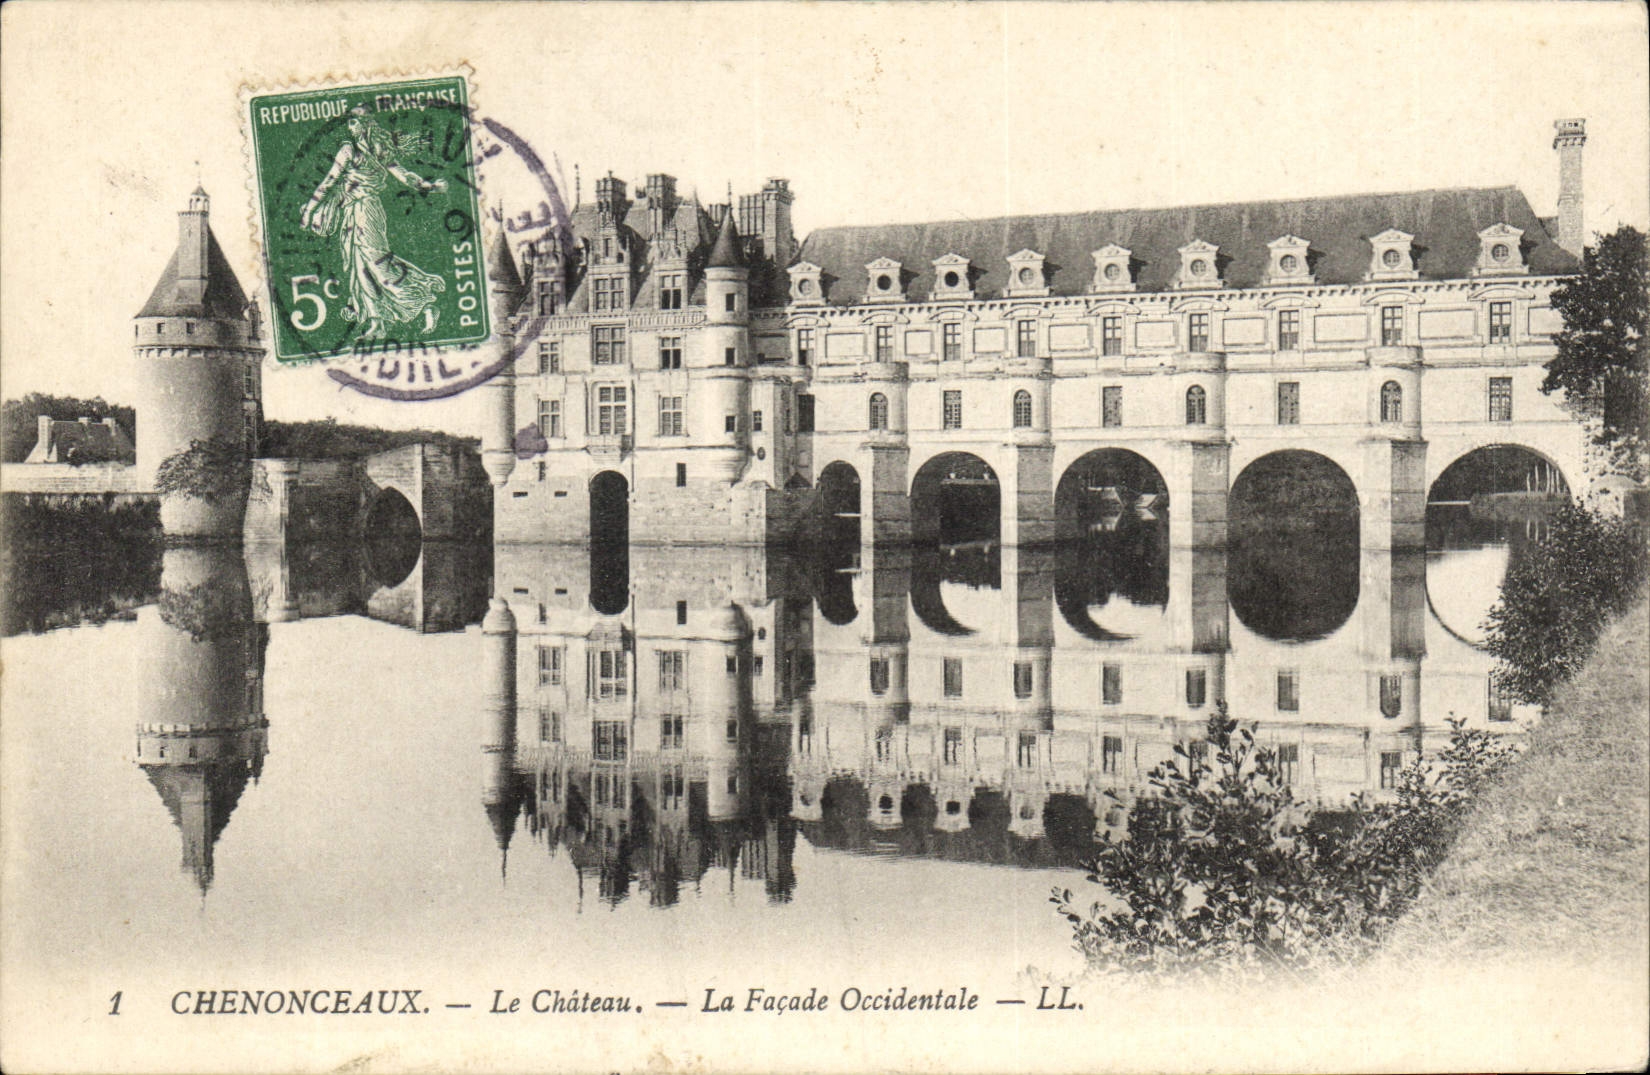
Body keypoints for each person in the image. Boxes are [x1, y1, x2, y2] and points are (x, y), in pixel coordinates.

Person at [300, 105, 449, 339]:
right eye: (349, 123)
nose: (351, 127)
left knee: (376, 263)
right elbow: (328, 182)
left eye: (354, 122)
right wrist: (310, 209)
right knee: (357, 267)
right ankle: (376, 321)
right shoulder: (349, 151)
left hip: (368, 211)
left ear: (366, 124)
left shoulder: (375, 151)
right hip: (350, 212)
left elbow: (403, 174)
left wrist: (427, 186)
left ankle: (421, 301)